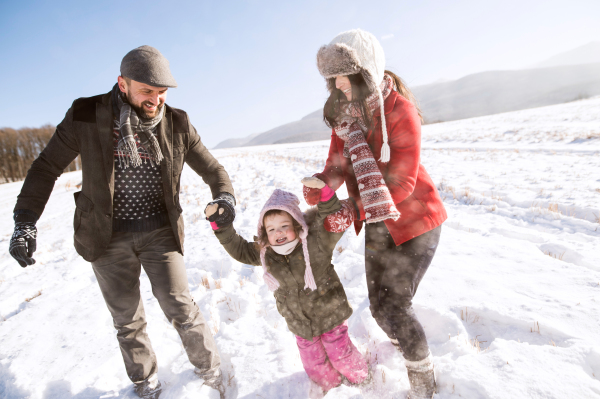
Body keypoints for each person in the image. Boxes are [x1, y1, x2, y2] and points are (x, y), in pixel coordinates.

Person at [8, 45, 236, 399]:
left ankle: (212, 372)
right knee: (128, 321)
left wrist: (224, 197)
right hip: (105, 235)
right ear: (122, 83)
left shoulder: (176, 122)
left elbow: (213, 169)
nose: (156, 100)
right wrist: (25, 220)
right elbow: (46, 167)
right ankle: (146, 384)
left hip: (159, 231)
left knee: (181, 306)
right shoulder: (86, 114)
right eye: (147, 91)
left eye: (161, 93)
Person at [304, 29, 448, 399]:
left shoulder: (400, 110)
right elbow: (337, 163)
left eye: (345, 77)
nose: (338, 85)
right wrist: (321, 184)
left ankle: (424, 384)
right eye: (332, 79)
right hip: (379, 222)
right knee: (380, 307)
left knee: (395, 305)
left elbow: (401, 182)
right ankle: (407, 343)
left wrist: (351, 207)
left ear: (366, 72)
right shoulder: (345, 116)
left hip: (415, 219)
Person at [206, 183, 368, 398]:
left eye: (284, 225)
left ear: (298, 224)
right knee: (314, 364)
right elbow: (240, 250)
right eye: (271, 229)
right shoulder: (266, 254)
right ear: (264, 234)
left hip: (331, 314)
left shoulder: (316, 242)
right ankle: (332, 388)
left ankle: (362, 380)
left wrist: (326, 195)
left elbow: (332, 219)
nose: (278, 232)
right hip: (300, 324)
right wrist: (221, 227)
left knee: (340, 353)